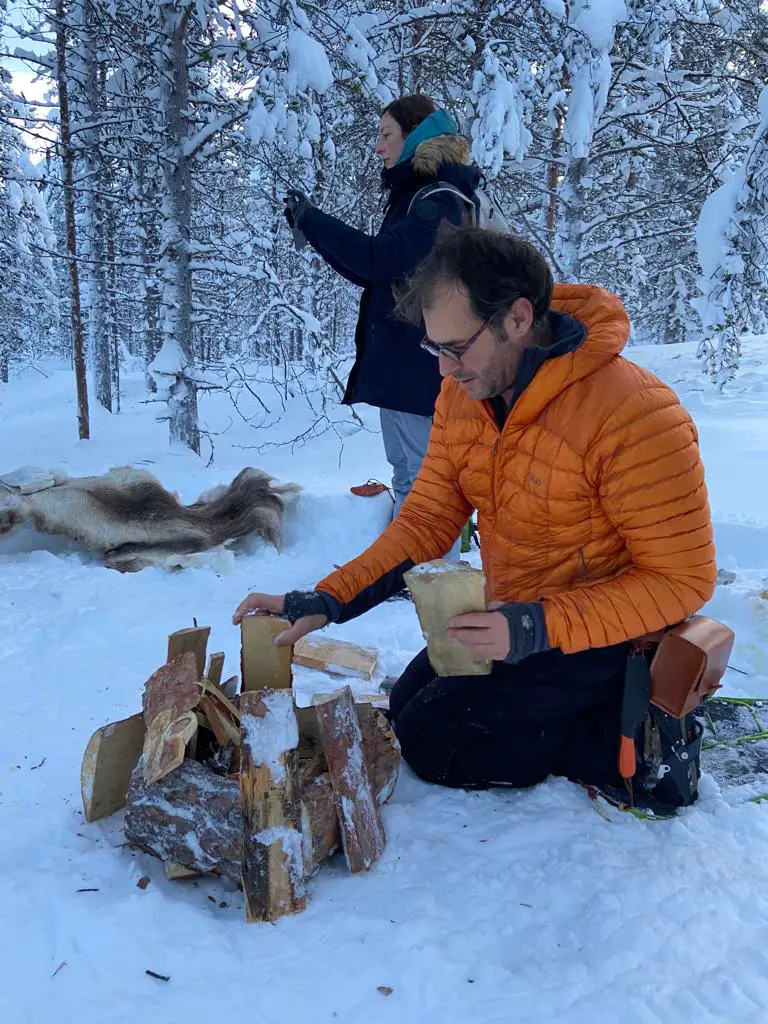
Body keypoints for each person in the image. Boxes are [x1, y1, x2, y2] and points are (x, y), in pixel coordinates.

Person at [233, 226, 717, 795]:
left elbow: (682, 579)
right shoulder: (465, 397)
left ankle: (621, 735)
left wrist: (537, 626)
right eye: (433, 348)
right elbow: (427, 520)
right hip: (516, 617)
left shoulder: (634, 413)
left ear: (516, 318)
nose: (443, 370)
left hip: (604, 636)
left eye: (456, 348)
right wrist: (327, 599)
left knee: (433, 740)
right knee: (406, 703)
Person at [283, 95, 480, 536]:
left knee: (425, 482)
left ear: (417, 137)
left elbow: (380, 260)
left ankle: (428, 574)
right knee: (409, 476)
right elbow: (375, 273)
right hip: (406, 368)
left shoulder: (438, 201)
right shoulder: (417, 197)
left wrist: (315, 222)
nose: (378, 147)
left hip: (424, 368)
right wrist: (311, 229)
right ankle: (414, 571)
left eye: (386, 134)